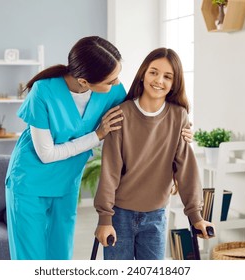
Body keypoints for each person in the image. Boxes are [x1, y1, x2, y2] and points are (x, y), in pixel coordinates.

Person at [5, 36, 194, 260]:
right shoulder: (43, 91)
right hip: (30, 182)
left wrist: (181, 132)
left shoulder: (112, 91)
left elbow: (142, 118)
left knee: (60, 257)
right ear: (85, 82)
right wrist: (97, 135)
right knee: (31, 258)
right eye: (111, 80)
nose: (117, 83)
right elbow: (46, 154)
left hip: (66, 183)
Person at [94, 47, 214, 260]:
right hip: (119, 215)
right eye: (154, 72)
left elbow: (186, 169)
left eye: (168, 76)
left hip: (156, 216)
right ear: (143, 74)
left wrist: (196, 216)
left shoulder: (179, 117)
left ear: (174, 84)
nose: (159, 80)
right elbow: (110, 171)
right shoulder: (120, 115)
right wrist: (105, 219)